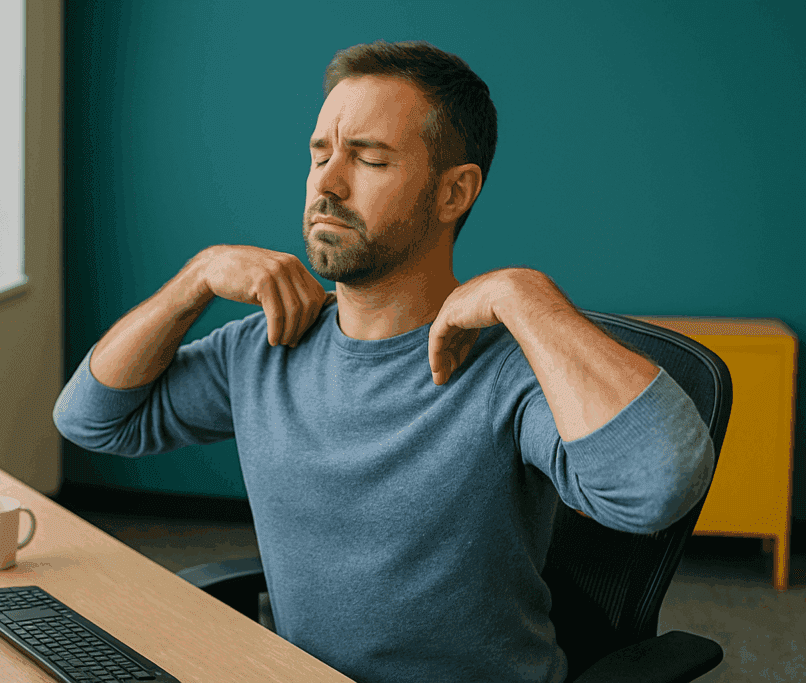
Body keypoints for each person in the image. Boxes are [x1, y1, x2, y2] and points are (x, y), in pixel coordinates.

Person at [54, 40, 714, 683]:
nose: (328, 184)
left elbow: (657, 485)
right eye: (320, 154)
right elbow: (91, 420)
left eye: (368, 160)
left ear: (454, 193)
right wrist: (193, 280)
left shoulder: (508, 372)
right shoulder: (264, 345)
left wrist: (527, 297)